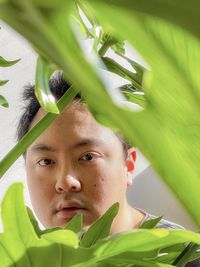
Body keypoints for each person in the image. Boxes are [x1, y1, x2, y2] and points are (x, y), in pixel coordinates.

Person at [17, 73, 199, 266]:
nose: (66, 181)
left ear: (128, 164)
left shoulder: (184, 257)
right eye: (46, 162)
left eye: (88, 157)